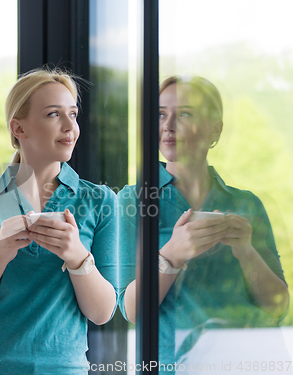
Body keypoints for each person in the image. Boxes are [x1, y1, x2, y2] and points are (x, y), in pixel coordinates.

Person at [0, 68, 118, 375]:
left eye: (73, 114)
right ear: (18, 128)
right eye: (53, 114)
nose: (70, 127)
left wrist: (77, 256)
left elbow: (102, 313)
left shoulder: (100, 202)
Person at [118, 75, 289, 372]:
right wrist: (172, 255)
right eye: (160, 114)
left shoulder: (247, 204)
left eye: (184, 113)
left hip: (249, 363)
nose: (168, 125)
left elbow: (278, 305)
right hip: (172, 365)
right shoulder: (132, 201)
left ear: (215, 129)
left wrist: (246, 251)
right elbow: (132, 310)